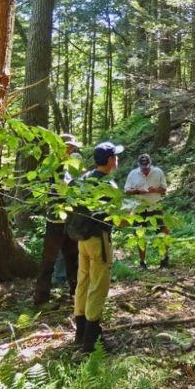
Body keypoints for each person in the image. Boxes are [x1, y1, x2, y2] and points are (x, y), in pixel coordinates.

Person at [72, 140, 123, 353]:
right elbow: (117, 217)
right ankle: (91, 339)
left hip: (81, 239)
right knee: (98, 285)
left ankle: (81, 332)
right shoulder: (108, 186)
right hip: (98, 240)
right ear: (110, 160)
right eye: (116, 156)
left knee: (82, 281)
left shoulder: (83, 180)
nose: (118, 159)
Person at [33, 134, 83, 306]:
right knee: (49, 259)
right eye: (67, 146)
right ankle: (41, 298)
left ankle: (76, 294)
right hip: (55, 218)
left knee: (72, 257)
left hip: (70, 218)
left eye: (71, 147)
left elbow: (77, 186)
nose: (70, 149)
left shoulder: (73, 163)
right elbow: (61, 188)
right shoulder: (53, 164)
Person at [124, 153, 169, 268]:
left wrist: (156, 190)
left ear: (150, 164)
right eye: (143, 168)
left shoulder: (158, 172)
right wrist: (138, 191)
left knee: (163, 231)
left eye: (147, 168)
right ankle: (142, 261)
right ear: (139, 165)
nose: (145, 170)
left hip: (155, 206)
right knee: (140, 235)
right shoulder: (133, 174)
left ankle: (164, 259)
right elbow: (126, 191)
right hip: (139, 208)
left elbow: (164, 189)